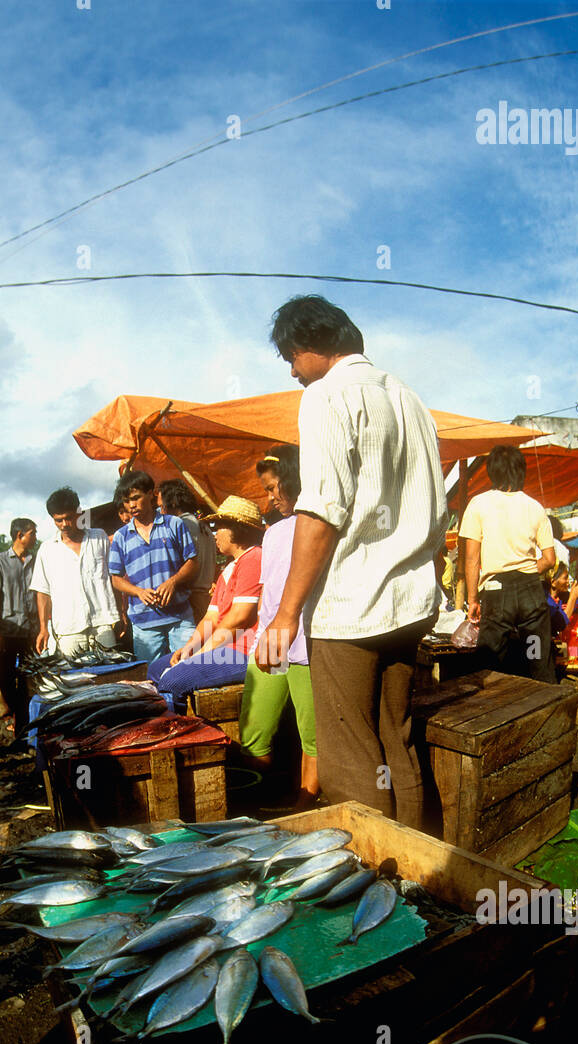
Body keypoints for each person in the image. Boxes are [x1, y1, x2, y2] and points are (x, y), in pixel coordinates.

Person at [254, 295, 447, 829]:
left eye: (290, 358)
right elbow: (438, 507)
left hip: (350, 609)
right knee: (394, 738)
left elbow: (320, 511)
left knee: (349, 754)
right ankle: (414, 876)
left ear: (309, 344)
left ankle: (373, 877)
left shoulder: (325, 396)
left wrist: (286, 613)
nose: (293, 371)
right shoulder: (409, 398)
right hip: (408, 603)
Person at [240, 449, 319, 807]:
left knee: (313, 736)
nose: (270, 497)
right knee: (255, 731)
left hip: (307, 644)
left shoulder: (319, 523)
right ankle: (258, 804)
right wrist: (261, 636)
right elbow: (269, 594)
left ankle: (306, 809)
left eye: (274, 488)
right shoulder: (272, 532)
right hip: (271, 640)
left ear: (292, 479)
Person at [147, 496, 263, 706]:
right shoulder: (229, 568)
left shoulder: (254, 558)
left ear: (236, 529)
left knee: (172, 681)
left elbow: (239, 618)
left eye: (219, 527)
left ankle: (181, 731)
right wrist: (191, 647)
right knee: (156, 668)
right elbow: (211, 616)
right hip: (226, 647)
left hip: (246, 651)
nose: (215, 533)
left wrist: (202, 653)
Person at [460, 446, 557, 683]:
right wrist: (530, 572)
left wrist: (472, 599)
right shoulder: (535, 506)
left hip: (496, 592)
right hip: (531, 593)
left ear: (491, 472)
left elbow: (472, 558)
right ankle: (549, 708)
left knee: (490, 663)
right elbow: (550, 559)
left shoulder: (479, 504)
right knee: (537, 656)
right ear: (521, 472)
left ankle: (492, 713)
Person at [108, 471, 198, 664]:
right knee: (151, 678)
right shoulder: (121, 536)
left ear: (151, 494)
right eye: (126, 501)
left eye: (135, 498)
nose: (131, 505)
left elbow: (193, 563)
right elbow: (116, 579)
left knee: (189, 670)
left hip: (180, 617)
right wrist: (138, 592)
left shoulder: (174, 524)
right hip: (144, 623)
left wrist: (173, 582)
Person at [30, 488, 121, 659]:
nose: (64, 524)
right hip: (68, 629)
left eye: (68, 518)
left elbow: (113, 578)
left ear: (78, 513)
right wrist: (43, 628)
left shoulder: (99, 538)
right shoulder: (47, 550)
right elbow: (42, 592)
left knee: (111, 678)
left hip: (103, 623)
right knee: (74, 680)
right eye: (59, 520)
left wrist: (120, 613)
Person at [0, 517, 37, 733]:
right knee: (6, 677)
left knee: (28, 678)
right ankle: (14, 714)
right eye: (32, 533)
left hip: (31, 632)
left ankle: (23, 726)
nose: (35, 537)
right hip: (7, 632)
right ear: (20, 535)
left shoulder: (36, 560)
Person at [157, 479, 218, 623]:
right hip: (207, 600)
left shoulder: (180, 526)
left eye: (161, 506)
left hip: (190, 601)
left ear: (171, 504)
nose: (160, 512)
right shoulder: (204, 527)